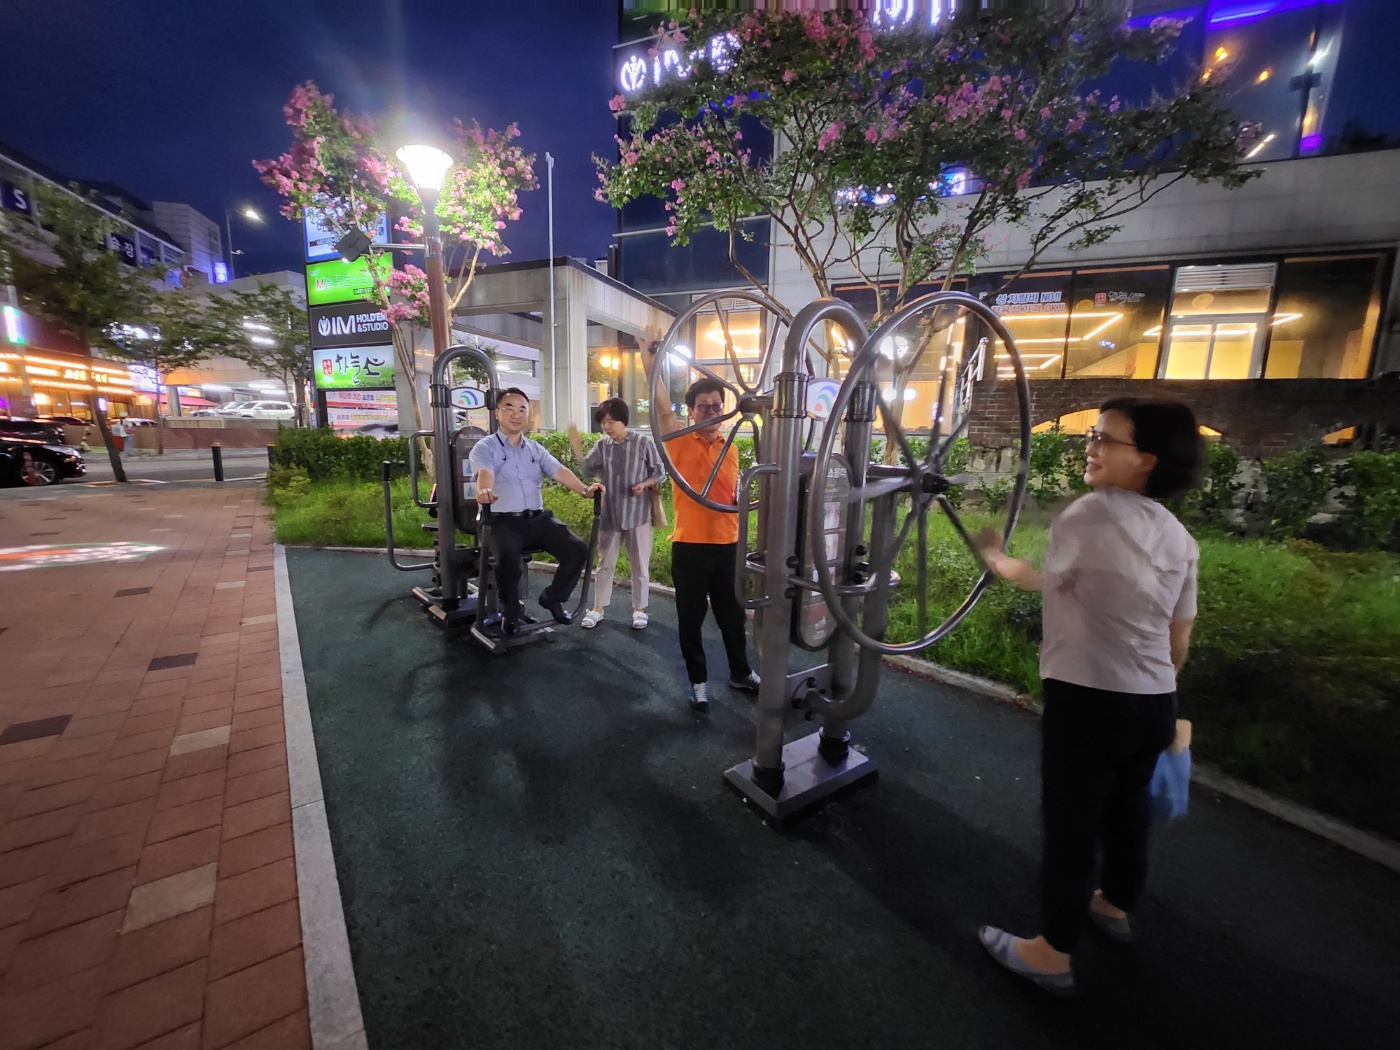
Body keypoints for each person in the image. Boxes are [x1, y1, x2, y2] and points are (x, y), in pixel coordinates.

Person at [975, 397, 1204, 996]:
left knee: (1071, 824)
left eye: (1106, 439)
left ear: (1147, 459)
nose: (1091, 447)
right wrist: (1158, 694)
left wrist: (996, 557)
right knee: (1128, 813)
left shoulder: (1088, 515)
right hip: (1153, 702)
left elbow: (1045, 583)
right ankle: (1114, 905)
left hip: (1089, 699)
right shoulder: (1179, 537)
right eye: (1092, 436)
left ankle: (1050, 952)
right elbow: (1179, 636)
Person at [643, 336, 760, 712]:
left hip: (728, 545)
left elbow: (733, 493)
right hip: (691, 546)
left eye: (716, 406)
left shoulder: (732, 447)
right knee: (690, 619)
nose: (711, 411)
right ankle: (698, 682)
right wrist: (651, 361)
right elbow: (662, 408)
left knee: (733, 616)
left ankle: (741, 672)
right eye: (703, 406)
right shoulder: (679, 441)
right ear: (691, 411)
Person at [469, 388, 604, 635]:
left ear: (528, 415)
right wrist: (485, 490)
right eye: (509, 408)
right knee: (508, 556)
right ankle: (510, 611)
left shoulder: (534, 449)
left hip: (536, 519)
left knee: (577, 549)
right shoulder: (485, 447)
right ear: (498, 413)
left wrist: (585, 490)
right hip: (499, 520)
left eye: (522, 409)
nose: (516, 414)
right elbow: (485, 473)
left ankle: (553, 598)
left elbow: (559, 470)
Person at [569, 398, 664, 631]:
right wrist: (577, 450)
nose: (606, 427)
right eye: (603, 422)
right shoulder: (603, 445)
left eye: (611, 421)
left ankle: (639, 610)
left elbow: (660, 472)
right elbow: (587, 469)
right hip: (610, 512)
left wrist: (645, 484)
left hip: (638, 513)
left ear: (623, 420)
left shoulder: (643, 442)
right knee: (605, 563)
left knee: (639, 564)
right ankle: (598, 608)